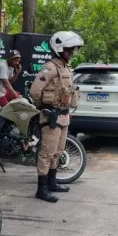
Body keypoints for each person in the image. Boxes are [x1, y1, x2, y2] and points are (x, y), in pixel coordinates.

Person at [29, 31, 80, 203]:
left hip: (63, 116)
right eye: (68, 49)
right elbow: (35, 91)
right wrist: (44, 108)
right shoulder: (50, 67)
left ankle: (52, 182)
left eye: (72, 49)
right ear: (59, 49)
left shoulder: (65, 67)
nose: (71, 53)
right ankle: (41, 189)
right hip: (52, 117)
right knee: (46, 153)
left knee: (57, 152)